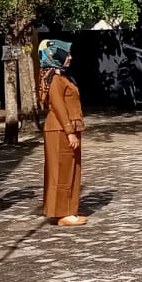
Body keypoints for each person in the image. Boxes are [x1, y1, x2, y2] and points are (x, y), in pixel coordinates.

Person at [38, 39, 87, 227]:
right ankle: (61, 213)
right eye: (66, 54)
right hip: (59, 129)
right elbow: (58, 107)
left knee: (71, 170)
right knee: (61, 172)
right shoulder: (55, 80)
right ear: (55, 56)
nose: (70, 57)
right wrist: (69, 132)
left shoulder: (60, 76)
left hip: (67, 128)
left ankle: (69, 210)